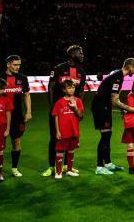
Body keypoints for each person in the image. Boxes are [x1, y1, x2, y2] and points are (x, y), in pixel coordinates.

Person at [44, 45, 86, 177]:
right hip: (59, 110)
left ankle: (68, 166)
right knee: (55, 138)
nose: (82, 55)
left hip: (73, 112)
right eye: (80, 53)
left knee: (71, 137)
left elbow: (81, 91)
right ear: (72, 54)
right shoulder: (58, 68)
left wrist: (78, 106)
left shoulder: (81, 72)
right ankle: (52, 167)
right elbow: (50, 87)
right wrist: (52, 106)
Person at [92, 57, 134, 175]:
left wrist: (121, 109)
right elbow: (115, 101)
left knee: (108, 134)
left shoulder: (117, 74)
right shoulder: (118, 77)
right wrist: (131, 109)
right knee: (105, 135)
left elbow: (113, 98)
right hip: (101, 107)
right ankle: (99, 166)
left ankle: (107, 163)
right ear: (130, 67)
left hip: (104, 106)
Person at [0, 55, 31, 177]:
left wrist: (28, 112)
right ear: (8, 64)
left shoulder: (23, 78)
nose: (17, 67)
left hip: (17, 116)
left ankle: (14, 168)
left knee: (16, 141)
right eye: (15, 65)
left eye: (19, 65)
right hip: (1, 116)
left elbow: (26, 95)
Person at [51, 79, 83, 179]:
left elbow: (80, 116)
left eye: (73, 87)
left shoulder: (78, 101)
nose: (72, 90)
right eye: (69, 88)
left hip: (74, 131)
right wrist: (57, 131)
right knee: (60, 151)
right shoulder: (59, 102)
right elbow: (55, 116)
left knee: (71, 150)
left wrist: (75, 107)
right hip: (63, 132)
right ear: (64, 90)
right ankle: (58, 172)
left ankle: (69, 170)